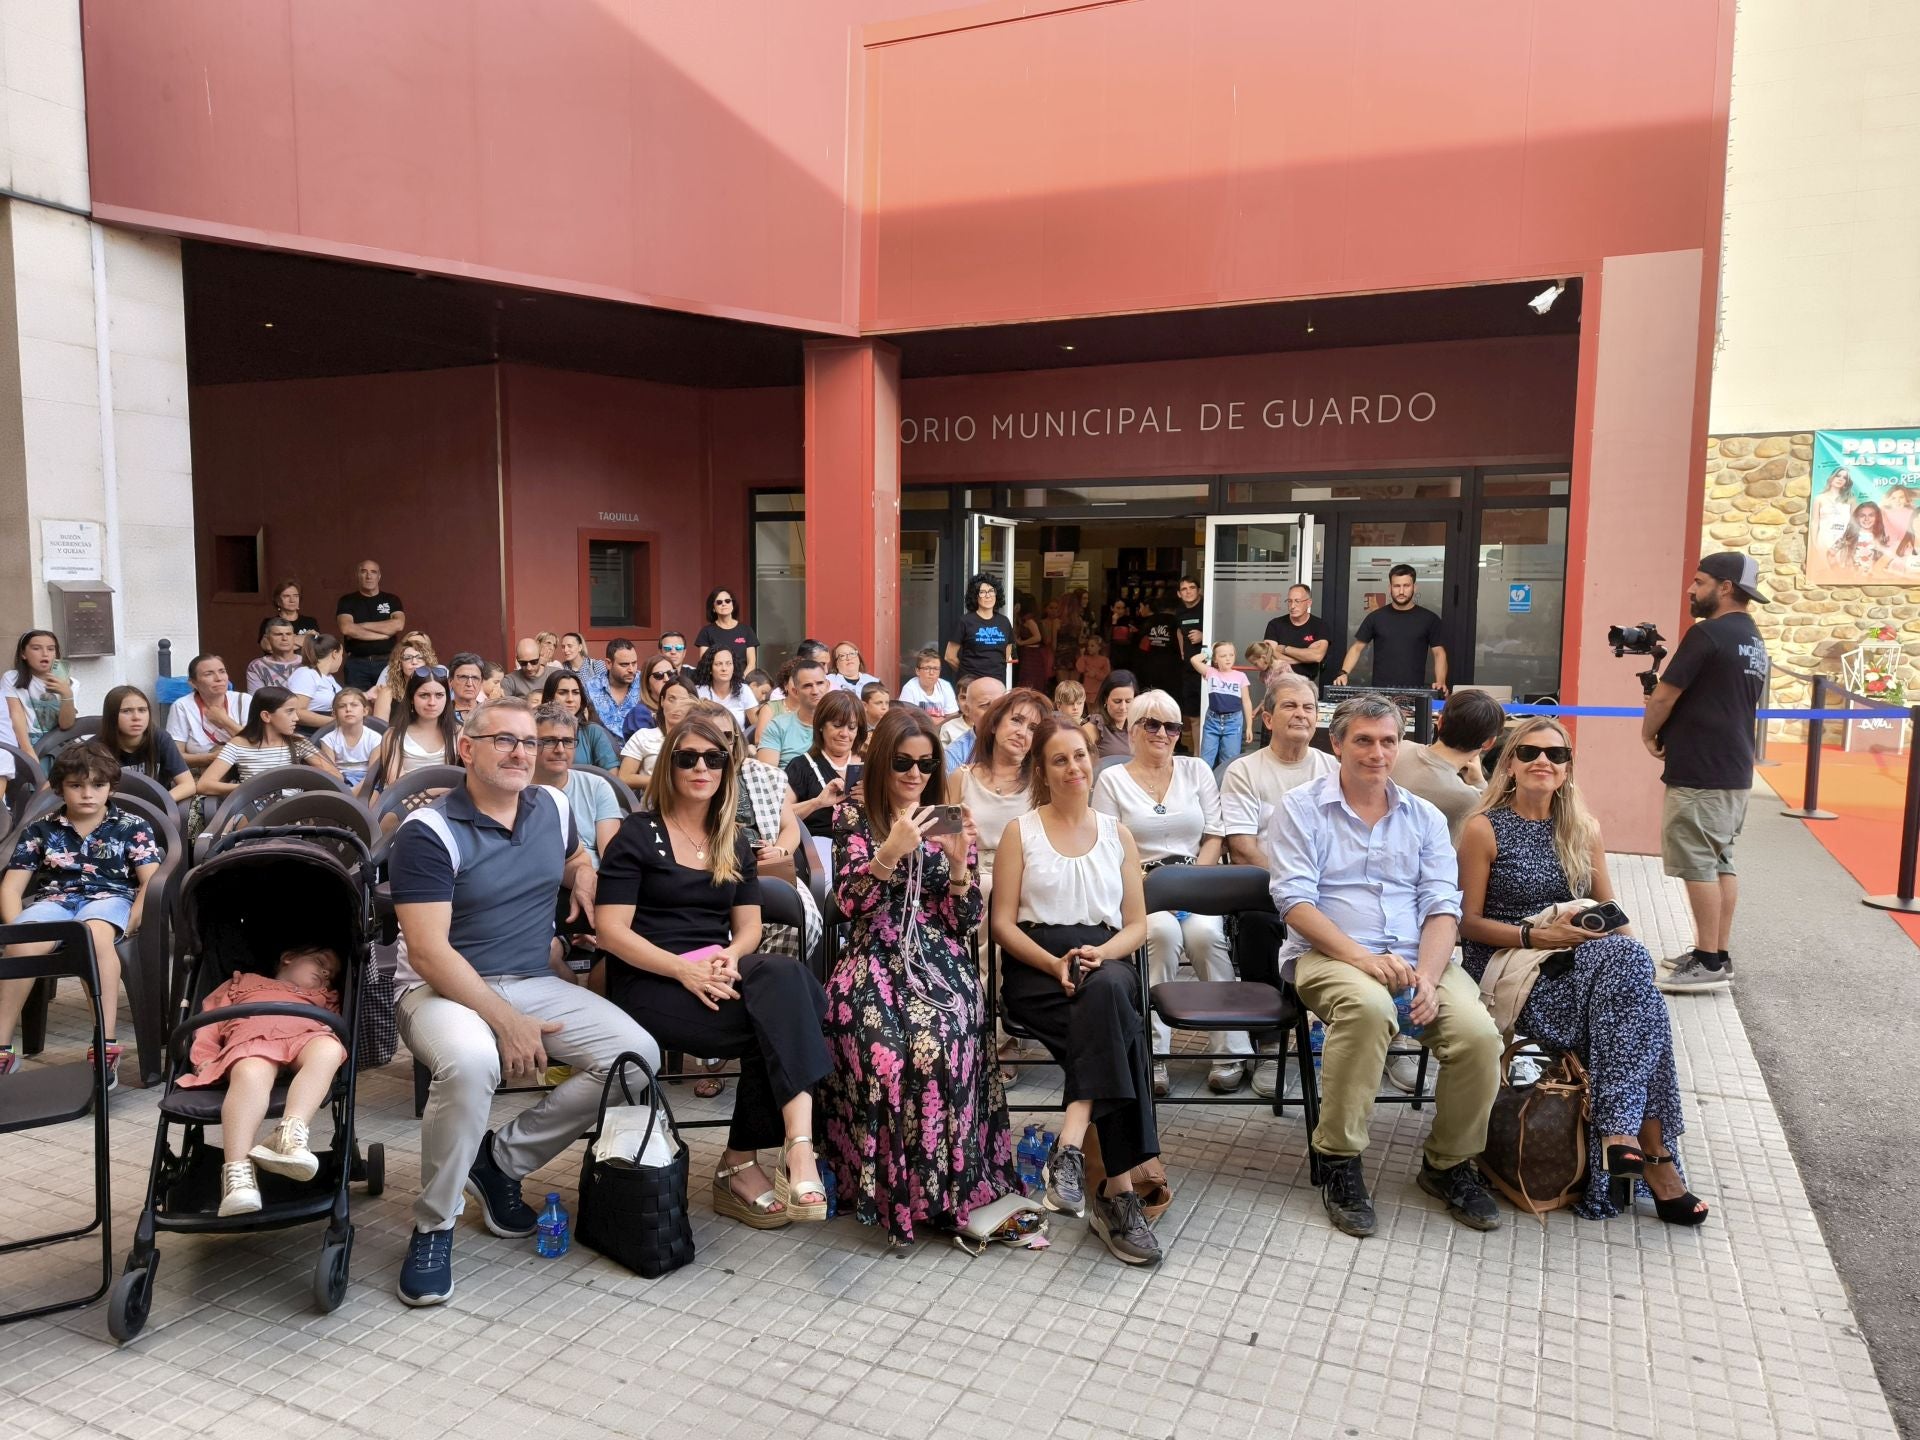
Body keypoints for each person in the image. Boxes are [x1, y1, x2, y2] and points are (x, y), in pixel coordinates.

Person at [388, 697, 659, 1306]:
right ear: (467, 748)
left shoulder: (552, 806)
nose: (520, 753)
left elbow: (574, 858)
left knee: (636, 1056)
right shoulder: (428, 832)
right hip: (439, 988)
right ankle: (435, 1222)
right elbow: (429, 954)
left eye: (529, 743)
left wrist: (585, 877)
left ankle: (501, 1161)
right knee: (474, 1063)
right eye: (503, 741)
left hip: (531, 977)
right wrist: (505, 1022)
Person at [1267, 694, 1503, 1238]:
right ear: (1338, 744)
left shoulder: (1422, 816)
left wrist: (1427, 973)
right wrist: (1364, 959)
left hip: (1422, 959)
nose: (1377, 752)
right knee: (1370, 1010)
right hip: (1331, 955)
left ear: (1402, 746)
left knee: (1477, 1037)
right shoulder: (1301, 808)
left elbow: (1443, 904)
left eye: (1388, 741)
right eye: (1364, 741)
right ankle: (1339, 1161)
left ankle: (1447, 1165)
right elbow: (1295, 904)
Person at [1459, 721, 1706, 1224]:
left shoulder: (1582, 829)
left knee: (1632, 976)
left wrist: (1622, 942)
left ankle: (1623, 1140)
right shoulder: (1484, 827)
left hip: (1582, 965)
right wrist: (1536, 936)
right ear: (1509, 763)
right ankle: (1653, 1161)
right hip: (1516, 969)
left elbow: (1610, 907)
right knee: (1641, 1013)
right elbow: (1467, 923)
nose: (1541, 761)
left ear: (1568, 768)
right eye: (1528, 752)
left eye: (1555, 753)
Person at [598, 710, 832, 1229]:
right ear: (669, 767)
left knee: (786, 978)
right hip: (652, 975)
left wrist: (728, 956)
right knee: (787, 1020)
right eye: (688, 758)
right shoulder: (637, 836)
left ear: (729, 767)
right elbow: (613, 931)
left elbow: (747, 927)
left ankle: (796, 1147)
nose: (702, 767)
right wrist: (684, 971)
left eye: (715, 758)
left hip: (717, 970)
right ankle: (744, 1162)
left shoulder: (733, 837)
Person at [823, 706, 1018, 1248]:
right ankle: (889, 1190)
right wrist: (889, 852)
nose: (915, 774)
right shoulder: (852, 818)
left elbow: (965, 920)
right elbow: (847, 903)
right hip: (871, 957)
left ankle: (944, 1190)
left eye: (927, 763)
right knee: (886, 1051)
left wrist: (959, 865)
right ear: (882, 761)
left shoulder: (948, 818)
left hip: (938, 963)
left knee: (942, 1038)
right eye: (903, 762)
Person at [990, 717, 1162, 1265]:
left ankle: (1072, 1150)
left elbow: (1136, 925)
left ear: (1094, 760)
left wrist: (1101, 954)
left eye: (1082, 756)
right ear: (1041, 768)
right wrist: (1052, 962)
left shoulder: (1119, 833)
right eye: (1060, 759)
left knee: (1109, 992)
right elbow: (1002, 924)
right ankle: (1117, 1196)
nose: (1074, 767)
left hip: (1102, 959)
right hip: (1038, 969)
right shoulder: (1022, 832)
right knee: (1120, 1027)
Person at [1091, 689, 1241, 1094]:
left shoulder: (1196, 770)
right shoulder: (1112, 779)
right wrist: (1145, 890)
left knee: (1208, 936)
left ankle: (1230, 1050)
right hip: (1140, 888)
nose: (1163, 733)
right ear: (1133, 730)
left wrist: (1195, 887)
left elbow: (1215, 835)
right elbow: (1108, 844)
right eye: (1151, 724)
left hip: (1197, 885)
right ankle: (1153, 1053)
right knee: (1160, 933)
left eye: (1172, 726)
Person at [1641, 551, 1770, 993]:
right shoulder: (1752, 638)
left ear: (1725, 587)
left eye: (1699, 582)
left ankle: (1710, 962)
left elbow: (1664, 696)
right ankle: (1714, 952)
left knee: (1699, 863)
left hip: (1701, 772)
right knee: (1720, 861)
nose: (1691, 590)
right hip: (1733, 768)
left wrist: (1649, 734)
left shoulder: (1706, 634)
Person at [0, 744, 160, 1087]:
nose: (87, 794)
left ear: (111, 788)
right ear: (61, 788)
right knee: (22, 946)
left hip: (110, 899)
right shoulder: (40, 829)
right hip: (55, 901)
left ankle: (105, 1044)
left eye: (97, 785)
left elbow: (151, 882)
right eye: (76, 785)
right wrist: (18, 931)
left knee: (94, 936)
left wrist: (132, 921)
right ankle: (2, 1047)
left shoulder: (132, 826)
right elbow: (12, 888)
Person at [1218, 674, 1338, 1098]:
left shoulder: (1332, 769)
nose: (1301, 714)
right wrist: (1295, 887)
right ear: (1267, 717)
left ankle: (1334, 1035)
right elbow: (1244, 847)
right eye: (1290, 706)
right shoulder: (1245, 770)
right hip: (1267, 888)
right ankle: (1269, 1042)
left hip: (1326, 890)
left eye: (1308, 707)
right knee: (1256, 922)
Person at [178, 942, 348, 1216]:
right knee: (250, 1071)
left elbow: (336, 1026)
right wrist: (205, 1057)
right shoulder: (242, 982)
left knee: (330, 1048)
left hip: (305, 1033)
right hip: (252, 1036)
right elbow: (209, 1021)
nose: (326, 973)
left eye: (331, 973)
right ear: (288, 957)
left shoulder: (324, 996)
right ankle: (238, 1174)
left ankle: (290, 1134)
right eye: (319, 962)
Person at [947, 687, 1047, 895]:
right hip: (966, 883)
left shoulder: (1042, 785)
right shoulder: (961, 778)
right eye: (1016, 720)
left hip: (1025, 884)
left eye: (1033, 728)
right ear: (994, 724)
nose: (1022, 732)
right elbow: (943, 843)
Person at [1391, 688, 1508, 847]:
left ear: (1440, 722)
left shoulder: (1398, 749)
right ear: (1489, 743)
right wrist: (1479, 783)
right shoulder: (1467, 798)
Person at [197, 687, 343, 799]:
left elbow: (336, 777)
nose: (296, 718)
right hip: (252, 809)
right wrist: (250, 787)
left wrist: (299, 781)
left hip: (293, 809)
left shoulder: (298, 742)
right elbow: (204, 784)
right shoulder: (239, 744)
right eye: (289, 711)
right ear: (266, 716)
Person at [1332, 564, 1448, 694]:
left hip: (1415, 692)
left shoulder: (1429, 619)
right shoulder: (1376, 617)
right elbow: (1357, 648)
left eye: (1406, 586)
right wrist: (1343, 673)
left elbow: (1439, 653)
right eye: (1397, 586)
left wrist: (1441, 682)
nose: (1401, 591)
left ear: (1415, 587)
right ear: (1390, 588)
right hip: (1380, 692)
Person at [532, 705, 621, 869]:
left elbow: (612, 856)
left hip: (597, 880)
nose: (560, 750)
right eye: (549, 741)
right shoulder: (515, 792)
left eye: (567, 741)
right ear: (530, 743)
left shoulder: (597, 786)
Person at [360, 668, 460, 800]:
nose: (432, 702)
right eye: (424, 695)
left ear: (447, 698)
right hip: (405, 804)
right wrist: (437, 792)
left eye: (439, 695)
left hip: (448, 804)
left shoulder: (459, 733)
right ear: (412, 698)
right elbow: (397, 785)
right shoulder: (394, 735)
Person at [786, 690, 864, 853]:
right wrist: (817, 803)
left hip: (867, 846)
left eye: (851, 727)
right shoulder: (801, 766)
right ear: (821, 725)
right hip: (819, 847)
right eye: (836, 726)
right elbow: (781, 815)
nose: (844, 734)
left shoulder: (870, 764)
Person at [101, 684, 195, 803]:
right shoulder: (96, 748)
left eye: (142, 710)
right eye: (126, 711)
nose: (136, 717)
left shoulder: (160, 739)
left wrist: (156, 804)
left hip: (158, 809)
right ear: (112, 716)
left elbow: (188, 784)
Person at [166, 653, 250, 773]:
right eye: (209, 674)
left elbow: (257, 745)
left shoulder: (244, 700)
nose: (219, 678)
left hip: (245, 771)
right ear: (193, 683)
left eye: (222, 671)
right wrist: (211, 758)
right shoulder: (182, 706)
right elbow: (175, 757)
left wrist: (224, 720)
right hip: (199, 773)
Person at [335, 559, 406, 690]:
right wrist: (383, 635)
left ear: (379, 576)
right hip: (357, 663)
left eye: (373, 572)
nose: (369, 576)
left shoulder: (391, 600)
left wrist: (362, 625)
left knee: (390, 703)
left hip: (387, 661)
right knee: (358, 704)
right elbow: (347, 628)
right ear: (357, 575)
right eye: (364, 572)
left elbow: (398, 625)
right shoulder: (347, 601)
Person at [3, 629, 77, 754]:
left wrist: (67, 694)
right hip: (27, 741)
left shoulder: (71, 683)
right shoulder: (12, 678)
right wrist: (28, 750)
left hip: (60, 743)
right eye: (36, 648)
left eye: (51, 649)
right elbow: (16, 715)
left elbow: (66, 725)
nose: (45, 654)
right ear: (23, 654)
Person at [1190, 640, 1254, 779]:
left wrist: (1249, 726)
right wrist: (1209, 651)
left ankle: (1224, 789)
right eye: (1223, 655)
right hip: (1212, 721)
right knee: (1206, 759)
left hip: (1233, 722)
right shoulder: (1210, 672)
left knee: (1229, 760)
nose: (1228, 658)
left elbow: (1246, 701)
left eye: (1231, 655)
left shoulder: (1240, 676)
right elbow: (1194, 660)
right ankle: (1203, 788)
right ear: (1215, 659)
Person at [617, 676, 696, 788]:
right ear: (662, 701)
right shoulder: (643, 736)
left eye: (683, 701)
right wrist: (664, 782)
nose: (676, 707)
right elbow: (624, 777)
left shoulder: (698, 739)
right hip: (653, 802)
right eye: (671, 699)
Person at [756, 657, 829, 768]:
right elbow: (767, 775)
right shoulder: (777, 726)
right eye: (807, 686)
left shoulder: (843, 723)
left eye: (820, 683)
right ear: (795, 691)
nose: (815, 691)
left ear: (828, 686)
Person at [540, 670, 620, 770]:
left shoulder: (593, 732)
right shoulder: (535, 731)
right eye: (562, 693)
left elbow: (612, 775)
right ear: (549, 697)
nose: (570, 699)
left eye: (575, 693)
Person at [946, 572, 1014, 687]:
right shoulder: (965, 621)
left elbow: (1008, 657)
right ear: (975, 596)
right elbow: (949, 656)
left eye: (991, 591)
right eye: (982, 592)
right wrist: (966, 675)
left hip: (997, 685)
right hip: (972, 686)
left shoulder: (1004, 622)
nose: (988, 596)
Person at [1262, 584, 1331, 687]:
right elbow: (1269, 655)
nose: (1292, 606)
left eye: (1297, 601)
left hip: (1306, 684)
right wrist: (1303, 657)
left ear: (1309, 603)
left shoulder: (1320, 626)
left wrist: (1285, 649)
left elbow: (1317, 656)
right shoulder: (1275, 624)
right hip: (1278, 683)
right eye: (1289, 601)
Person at [585, 639, 651, 741]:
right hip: (602, 752)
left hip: (640, 751)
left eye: (634, 663)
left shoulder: (646, 683)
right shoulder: (590, 687)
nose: (631, 669)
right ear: (608, 663)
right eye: (624, 665)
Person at [369, 631, 437, 724]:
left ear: (427, 662)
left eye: (419, 657)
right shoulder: (387, 693)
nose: (414, 662)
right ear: (399, 663)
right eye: (408, 657)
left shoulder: (436, 691)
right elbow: (379, 730)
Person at [942, 674, 1006, 771]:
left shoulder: (1017, 743)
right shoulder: (955, 755)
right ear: (967, 710)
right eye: (985, 705)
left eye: (1000, 705)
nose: (994, 712)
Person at [318, 688, 378, 790]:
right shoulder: (328, 740)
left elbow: (373, 774)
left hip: (368, 783)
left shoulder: (375, 738)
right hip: (340, 783)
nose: (348, 709)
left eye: (354, 705)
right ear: (334, 714)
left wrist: (355, 793)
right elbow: (330, 772)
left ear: (365, 711)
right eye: (342, 706)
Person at [695, 644, 760, 733]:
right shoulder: (699, 692)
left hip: (738, 743)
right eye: (718, 664)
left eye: (729, 663)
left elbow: (758, 725)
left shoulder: (743, 690)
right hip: (707, 741)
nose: (724, 668)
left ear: (734, 667)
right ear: (710, 668)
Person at [285, 634, 346, 730]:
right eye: (341, 655)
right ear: (335, 654)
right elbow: (297, 711)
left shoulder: (329, 678)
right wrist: (338, 722)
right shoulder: (306, 674)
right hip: (309, 734)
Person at [693, 589, 759, 674]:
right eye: (719, 602)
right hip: (717, 681)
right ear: (713, 608)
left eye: (727, 601)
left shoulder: (746, 630)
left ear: (733, 605)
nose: (724, 604)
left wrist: (742, 681)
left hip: (743, 682)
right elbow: (705, 663)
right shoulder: (706, 631)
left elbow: (751, 663)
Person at [1083, 670, 1137, 761]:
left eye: (1128, 701)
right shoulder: (1095, 726)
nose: (1123, 707)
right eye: (1117, 701)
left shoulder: (1137, 727)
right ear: (1105, 699)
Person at [257, 580, 320, 654]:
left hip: (305, 665)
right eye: (286, 596)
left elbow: (316, 647)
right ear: (278, 601)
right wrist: (306, 638)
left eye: (296, 596)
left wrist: (279, 643)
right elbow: (268, 646)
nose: (292, 600)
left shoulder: (310, 622)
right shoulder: (269, 622)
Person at [246, 619, 306, 694]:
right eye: (278, 634)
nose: (284, 638)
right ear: (267, 638)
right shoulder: (256, 666)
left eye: (288, 634)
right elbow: (256, 701)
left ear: (294, 637)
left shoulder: (307, 663)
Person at [898, 647, 958, 720]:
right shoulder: (909, 688)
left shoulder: (945, 686)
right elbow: (907, 720)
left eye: (935, 669)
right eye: (927, 668)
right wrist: (937, 720)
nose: (931, 673)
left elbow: (952, 718)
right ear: (917, 671)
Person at [1013, 602, 1050, 690]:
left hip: (1031, 653)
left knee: (1029, 677)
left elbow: (1038, 637)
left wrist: (1022, 643)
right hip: (1024, 652)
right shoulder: (1021, 620)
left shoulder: (1030, 621)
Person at [446, 653, 487, 726]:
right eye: (463, 677)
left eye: (475, 678)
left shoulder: (488, 713)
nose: (469, 684)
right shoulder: (441, 714)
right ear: (450, 681)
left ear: (481, 682)